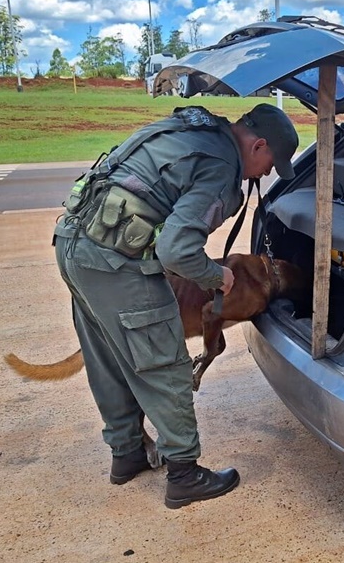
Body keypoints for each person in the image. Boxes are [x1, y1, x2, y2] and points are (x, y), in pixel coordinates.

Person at [52, 103, 298, 508]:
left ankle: (127, 454)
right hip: (115, 260)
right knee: (164, 363)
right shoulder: (221, 166)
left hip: (74, 245)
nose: (266, 174)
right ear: (258, 145)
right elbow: (176, 251)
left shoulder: (191, 128)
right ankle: (184, 474)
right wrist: (215, 275)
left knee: (108, 360)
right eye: (271, 163)